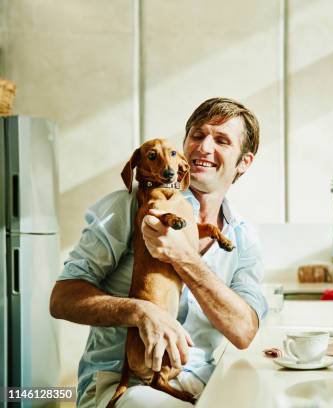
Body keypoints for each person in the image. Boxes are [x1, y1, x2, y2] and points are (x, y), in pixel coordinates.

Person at [50, 97, 268, 407]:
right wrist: (139, 311)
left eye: (221, 140)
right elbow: (61, 299)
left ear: (243, 162)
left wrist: (184, 256)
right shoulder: (127, 207)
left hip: (201, 385)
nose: (204, 147)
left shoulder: (243, 238)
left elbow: (244, 331)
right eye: (197, 135)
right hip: (122, 385)